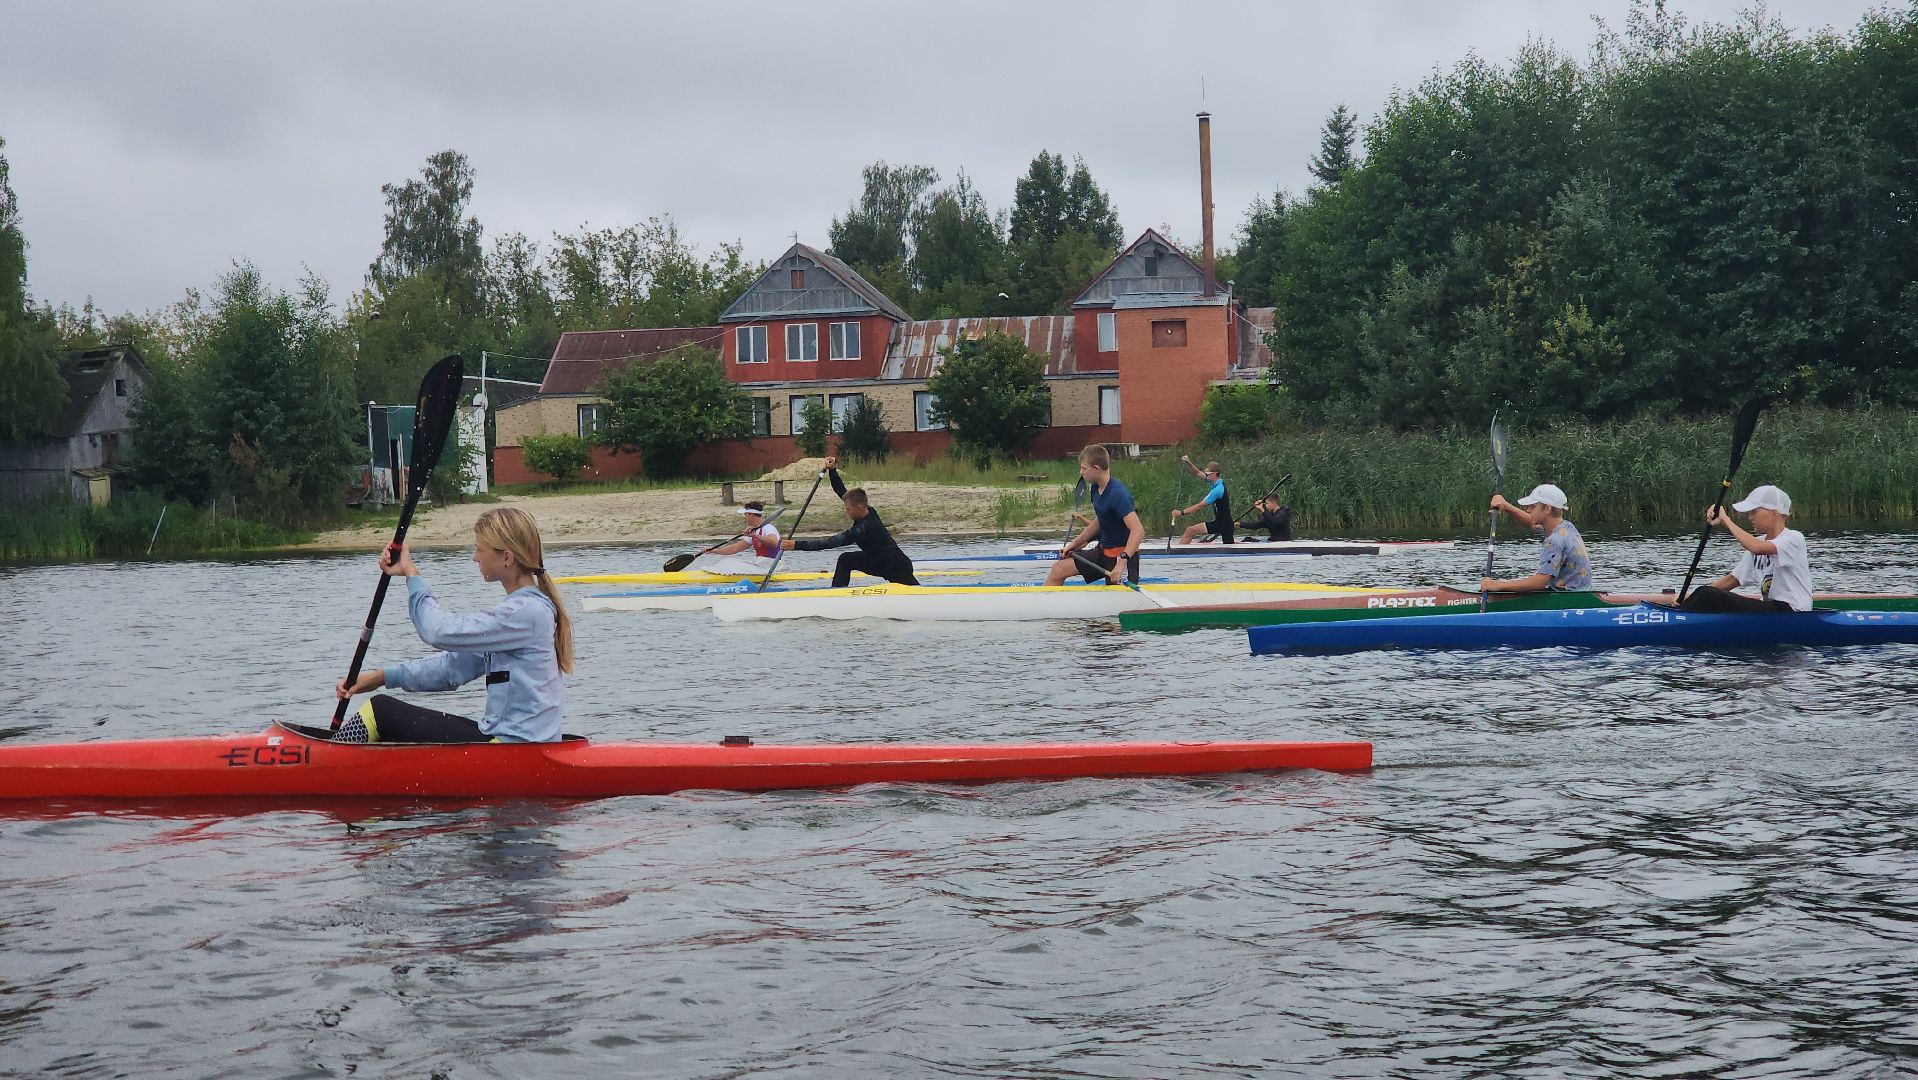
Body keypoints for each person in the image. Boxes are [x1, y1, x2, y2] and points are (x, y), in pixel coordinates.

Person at [333, 507, 573, 744]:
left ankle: (329, 760)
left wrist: (411, 574)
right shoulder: (520, 614)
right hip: (511, 744)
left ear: (507, 558)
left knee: (380, 711)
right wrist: (380, 678)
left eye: (479, 549)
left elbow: (437, 631)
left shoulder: (526, 613)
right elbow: (451, 669)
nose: (474, 557)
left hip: (515, 751)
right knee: (386, 718)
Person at [781, 455, 919, 588]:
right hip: (877, 560)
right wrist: (832, 470)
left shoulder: (863, 528)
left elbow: (830, 542)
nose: (847, 512)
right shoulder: (867, 509)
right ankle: (836, 594)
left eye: (848, 510)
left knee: (916, 592)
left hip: (896, 566)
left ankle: (838, 596)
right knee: (845, 560)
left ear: (859, 507)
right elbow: (841, 491)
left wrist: (797, 545)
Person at [1678, 484, 1811, 613]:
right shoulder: (1757, 543)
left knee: (1708, 594)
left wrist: (1726, 520)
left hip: (1794, 613)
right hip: (1772, 612)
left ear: (1773, 513)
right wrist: (1691, 597)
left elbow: (1757, 548)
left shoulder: (1794, 538)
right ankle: (1679, 614)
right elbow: (1733, 579)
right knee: (1705, 592)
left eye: (1754, 512)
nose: (1750, 517)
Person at [1045, 443, 1146, 586]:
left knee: (1113, 602)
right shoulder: (1095, 488)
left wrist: (1122, 563)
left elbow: (1138, 531)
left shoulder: (1118, 494)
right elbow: (1100, 521)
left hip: (1121, 557)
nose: (1081, 472)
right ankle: (1049, 607)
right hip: (1103, 551)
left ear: (1096, 468)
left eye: (1084, 468)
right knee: (1058, 570)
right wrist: (1074, 544)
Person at [1479, 482, 1593, 593]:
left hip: (1566, 600)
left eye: (1533, 506)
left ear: (1547, 509)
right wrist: (1507, 507)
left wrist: (1498, 585)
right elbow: (1531, 522)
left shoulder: (1554, 541)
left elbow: (1540, 582)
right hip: (1581, 593)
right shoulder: (1566, 527)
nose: (1528, 510)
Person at [698, 500, 780, 574]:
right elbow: (735, 548)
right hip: (761, 565)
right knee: (727, 561)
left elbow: (773, 543)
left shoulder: (768, 528)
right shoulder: (754, 531)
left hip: (771, 567)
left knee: (729, 563)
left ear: (751, 515)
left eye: (745, 514)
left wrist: (755, 535)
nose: (744, 518)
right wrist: (713, 550)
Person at [1171, 456, 1234, 545]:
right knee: (1189, 530)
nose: (1206, 475)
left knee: (1189, 530)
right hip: (1221, 523)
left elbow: (1200, 505)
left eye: (1207, 473)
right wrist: (1188, 462)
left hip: (1224, 525)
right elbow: (1197, 473)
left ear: (1214, 474)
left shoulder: (1218, 489)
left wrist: (1181, 512)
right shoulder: (1215, 482)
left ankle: (1176, 555)